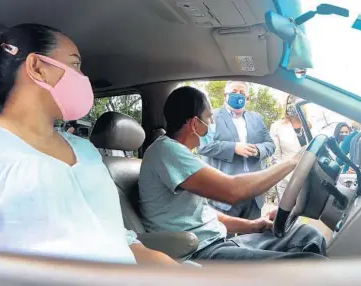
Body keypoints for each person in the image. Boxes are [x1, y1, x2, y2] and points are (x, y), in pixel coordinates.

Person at [0, 24, 178, 266]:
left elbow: (117, 239)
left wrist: (171, 268)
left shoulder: (85, 150)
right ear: (37, 68)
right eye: (75, 64)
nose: (82, 78)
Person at [138, 86, 326, 262]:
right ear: (195, 123)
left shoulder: (179, 153)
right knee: (308, 264)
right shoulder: (166, 151)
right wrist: (293, 161)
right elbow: (233, 191)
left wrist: (253, 225)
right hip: (201, 253)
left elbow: (201, 214)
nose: (213, 123)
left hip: (216, 243)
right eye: (210, 118)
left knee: (307, 236)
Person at [197, 81, 275, 220]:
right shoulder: (211, 116)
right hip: (224, 194)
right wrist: (234, 148)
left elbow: (270, 144)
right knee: (225, 239)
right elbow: (203, 147)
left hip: (253, 194)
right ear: (225, 95)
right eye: (234, 92)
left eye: (242, 93)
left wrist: (258, 150)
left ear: (247, 98)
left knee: (253, 238)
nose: (238, 95)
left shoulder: (256, 118)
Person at [270, 95, 308, 199]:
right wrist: (287, 175)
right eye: (289, 102)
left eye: (295, 100)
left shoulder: (310, 125)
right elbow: (275, 157)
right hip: (286, 179)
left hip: (308, 178)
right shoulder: (277, 126)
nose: (292, 104)